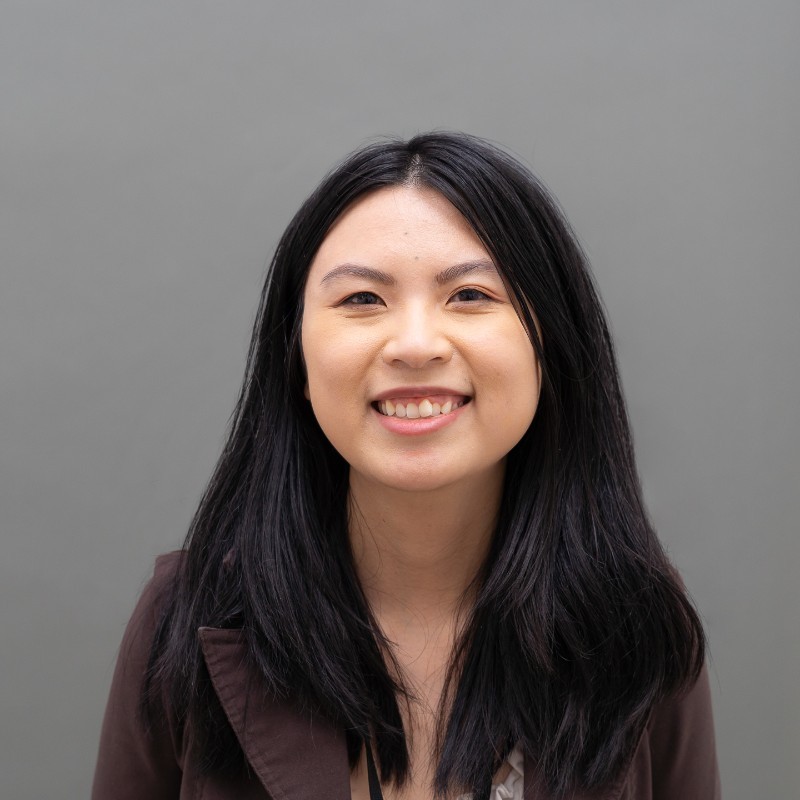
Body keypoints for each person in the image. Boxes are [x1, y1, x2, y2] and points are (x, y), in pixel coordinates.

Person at [92, 132, 720, 800]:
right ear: (295, 357)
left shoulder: (637, 621)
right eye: (362, 299)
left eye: (470, 295)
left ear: (551, 347)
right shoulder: (183, 617)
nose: (416, 345)